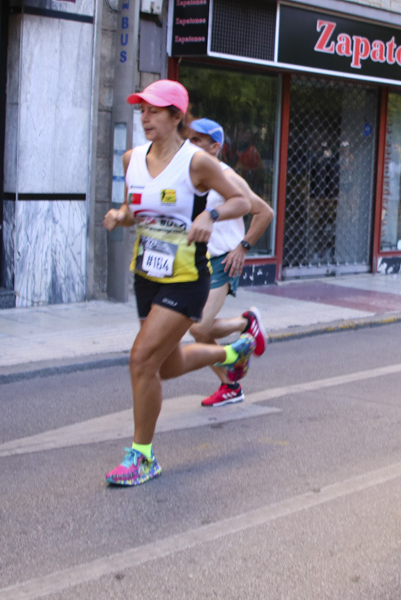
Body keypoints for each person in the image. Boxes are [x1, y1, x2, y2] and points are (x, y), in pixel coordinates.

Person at [101, 80, 256, 486]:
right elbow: (138, 208)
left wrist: (212, 216)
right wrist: (121, 215)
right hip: (146, 275)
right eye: (142, 110)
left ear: (176, 117)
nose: (145, 117)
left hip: (187, 278)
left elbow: (245, 203)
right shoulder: (132, 158)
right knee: (164, 366)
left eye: (154, 110)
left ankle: (142, 456)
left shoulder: (197, 163)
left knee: (140, 361)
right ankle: (232, 353)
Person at [185, 118, 275, 407]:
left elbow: (264, 211)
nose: (191, 144)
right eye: (189, 138)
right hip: (195, 261)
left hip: (222, 259)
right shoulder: (188, 175)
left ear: (215, 147)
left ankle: (246, 323)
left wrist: (243, 247)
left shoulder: (227, 177)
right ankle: (230, 385)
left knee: (198, 328)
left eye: (198, 140)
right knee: (196, 328)